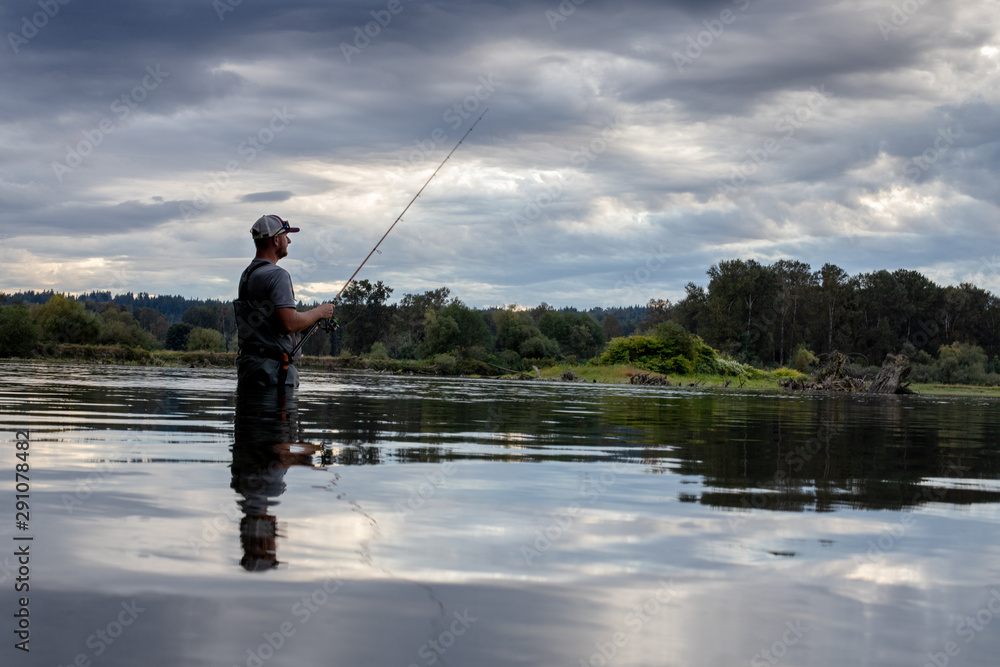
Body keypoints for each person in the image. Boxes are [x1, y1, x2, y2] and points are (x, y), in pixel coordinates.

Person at [234, 214, 334, 391]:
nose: (289, 240)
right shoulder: (277, 275)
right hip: (274, 375)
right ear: (276, 240)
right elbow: (289, 323)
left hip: (250, 371)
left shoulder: (247, 275)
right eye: (286, 236)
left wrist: (305, 324)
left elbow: (272, 322)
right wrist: (319, 312)